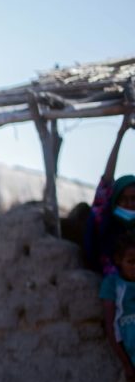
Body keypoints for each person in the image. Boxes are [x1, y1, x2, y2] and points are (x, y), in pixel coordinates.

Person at [84, 115, 135, 275]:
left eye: (134, 199)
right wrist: (120, 135)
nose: (129, 204)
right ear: (115, 200)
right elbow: (107, 180)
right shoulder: (104, 219)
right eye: (123, 199)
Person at [100, 233, 135, 382]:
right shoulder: (112, 284)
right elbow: (111, 327)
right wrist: (127, 365)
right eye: (131, 262)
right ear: (118, 260)